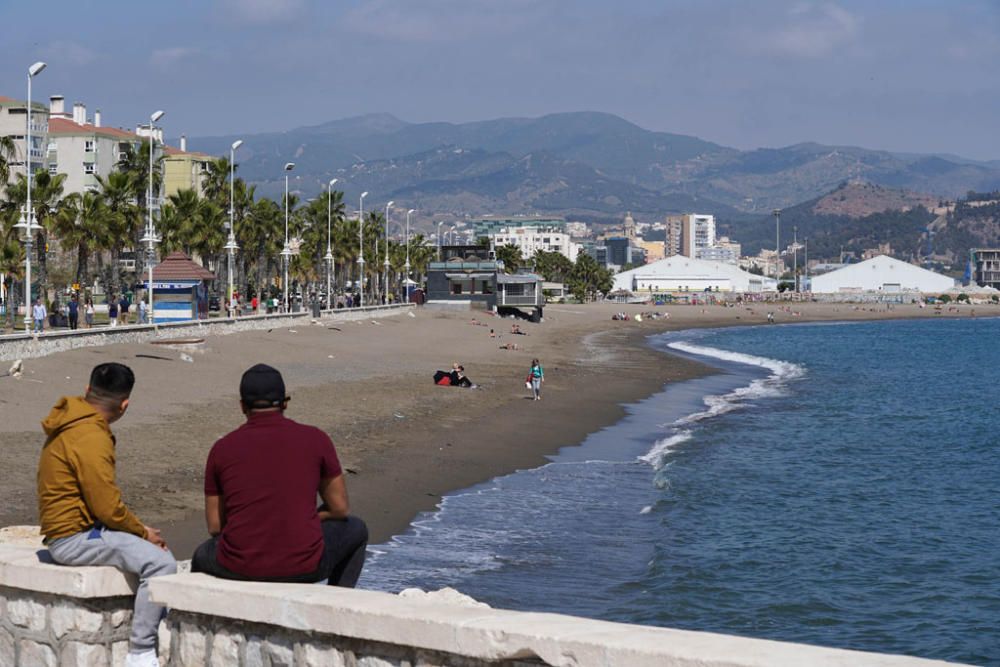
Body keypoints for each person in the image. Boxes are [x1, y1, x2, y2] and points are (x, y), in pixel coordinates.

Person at [38, 363, 176, 667]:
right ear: (124, 405)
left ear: (87, 390)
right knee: (161, 562)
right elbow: (107, 507)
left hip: (73, 531)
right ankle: (140, 652)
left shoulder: (71, 420)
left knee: (149, 549)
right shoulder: (91, 436)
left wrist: (136, 531)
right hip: (73, 539)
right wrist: (143, 532)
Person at [192, 364, 368, 587]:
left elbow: (216, 526)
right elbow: (340, 508)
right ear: (285, 402)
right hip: (305, 566)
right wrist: (313, 517)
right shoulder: (316, 439)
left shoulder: (222, 448)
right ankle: (339, 599)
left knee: (201, 555)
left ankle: (210, 615)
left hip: (239, 566)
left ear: (242, 406)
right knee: (356, 528)